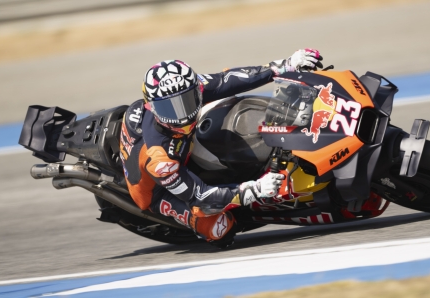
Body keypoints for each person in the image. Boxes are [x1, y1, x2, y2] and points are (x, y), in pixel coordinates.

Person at [119, 49, 323, 247]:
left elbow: (231, 79)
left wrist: (285, 66)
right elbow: (200, 198)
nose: (181, 114)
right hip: (158, 191)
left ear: (195, 89)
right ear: (152, 108)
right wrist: (255, 189)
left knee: (226, 101)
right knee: (219, 229)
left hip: (181, 146)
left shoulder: (192, 85)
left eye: (186, 101)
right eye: (169, 108)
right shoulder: (160, 160)